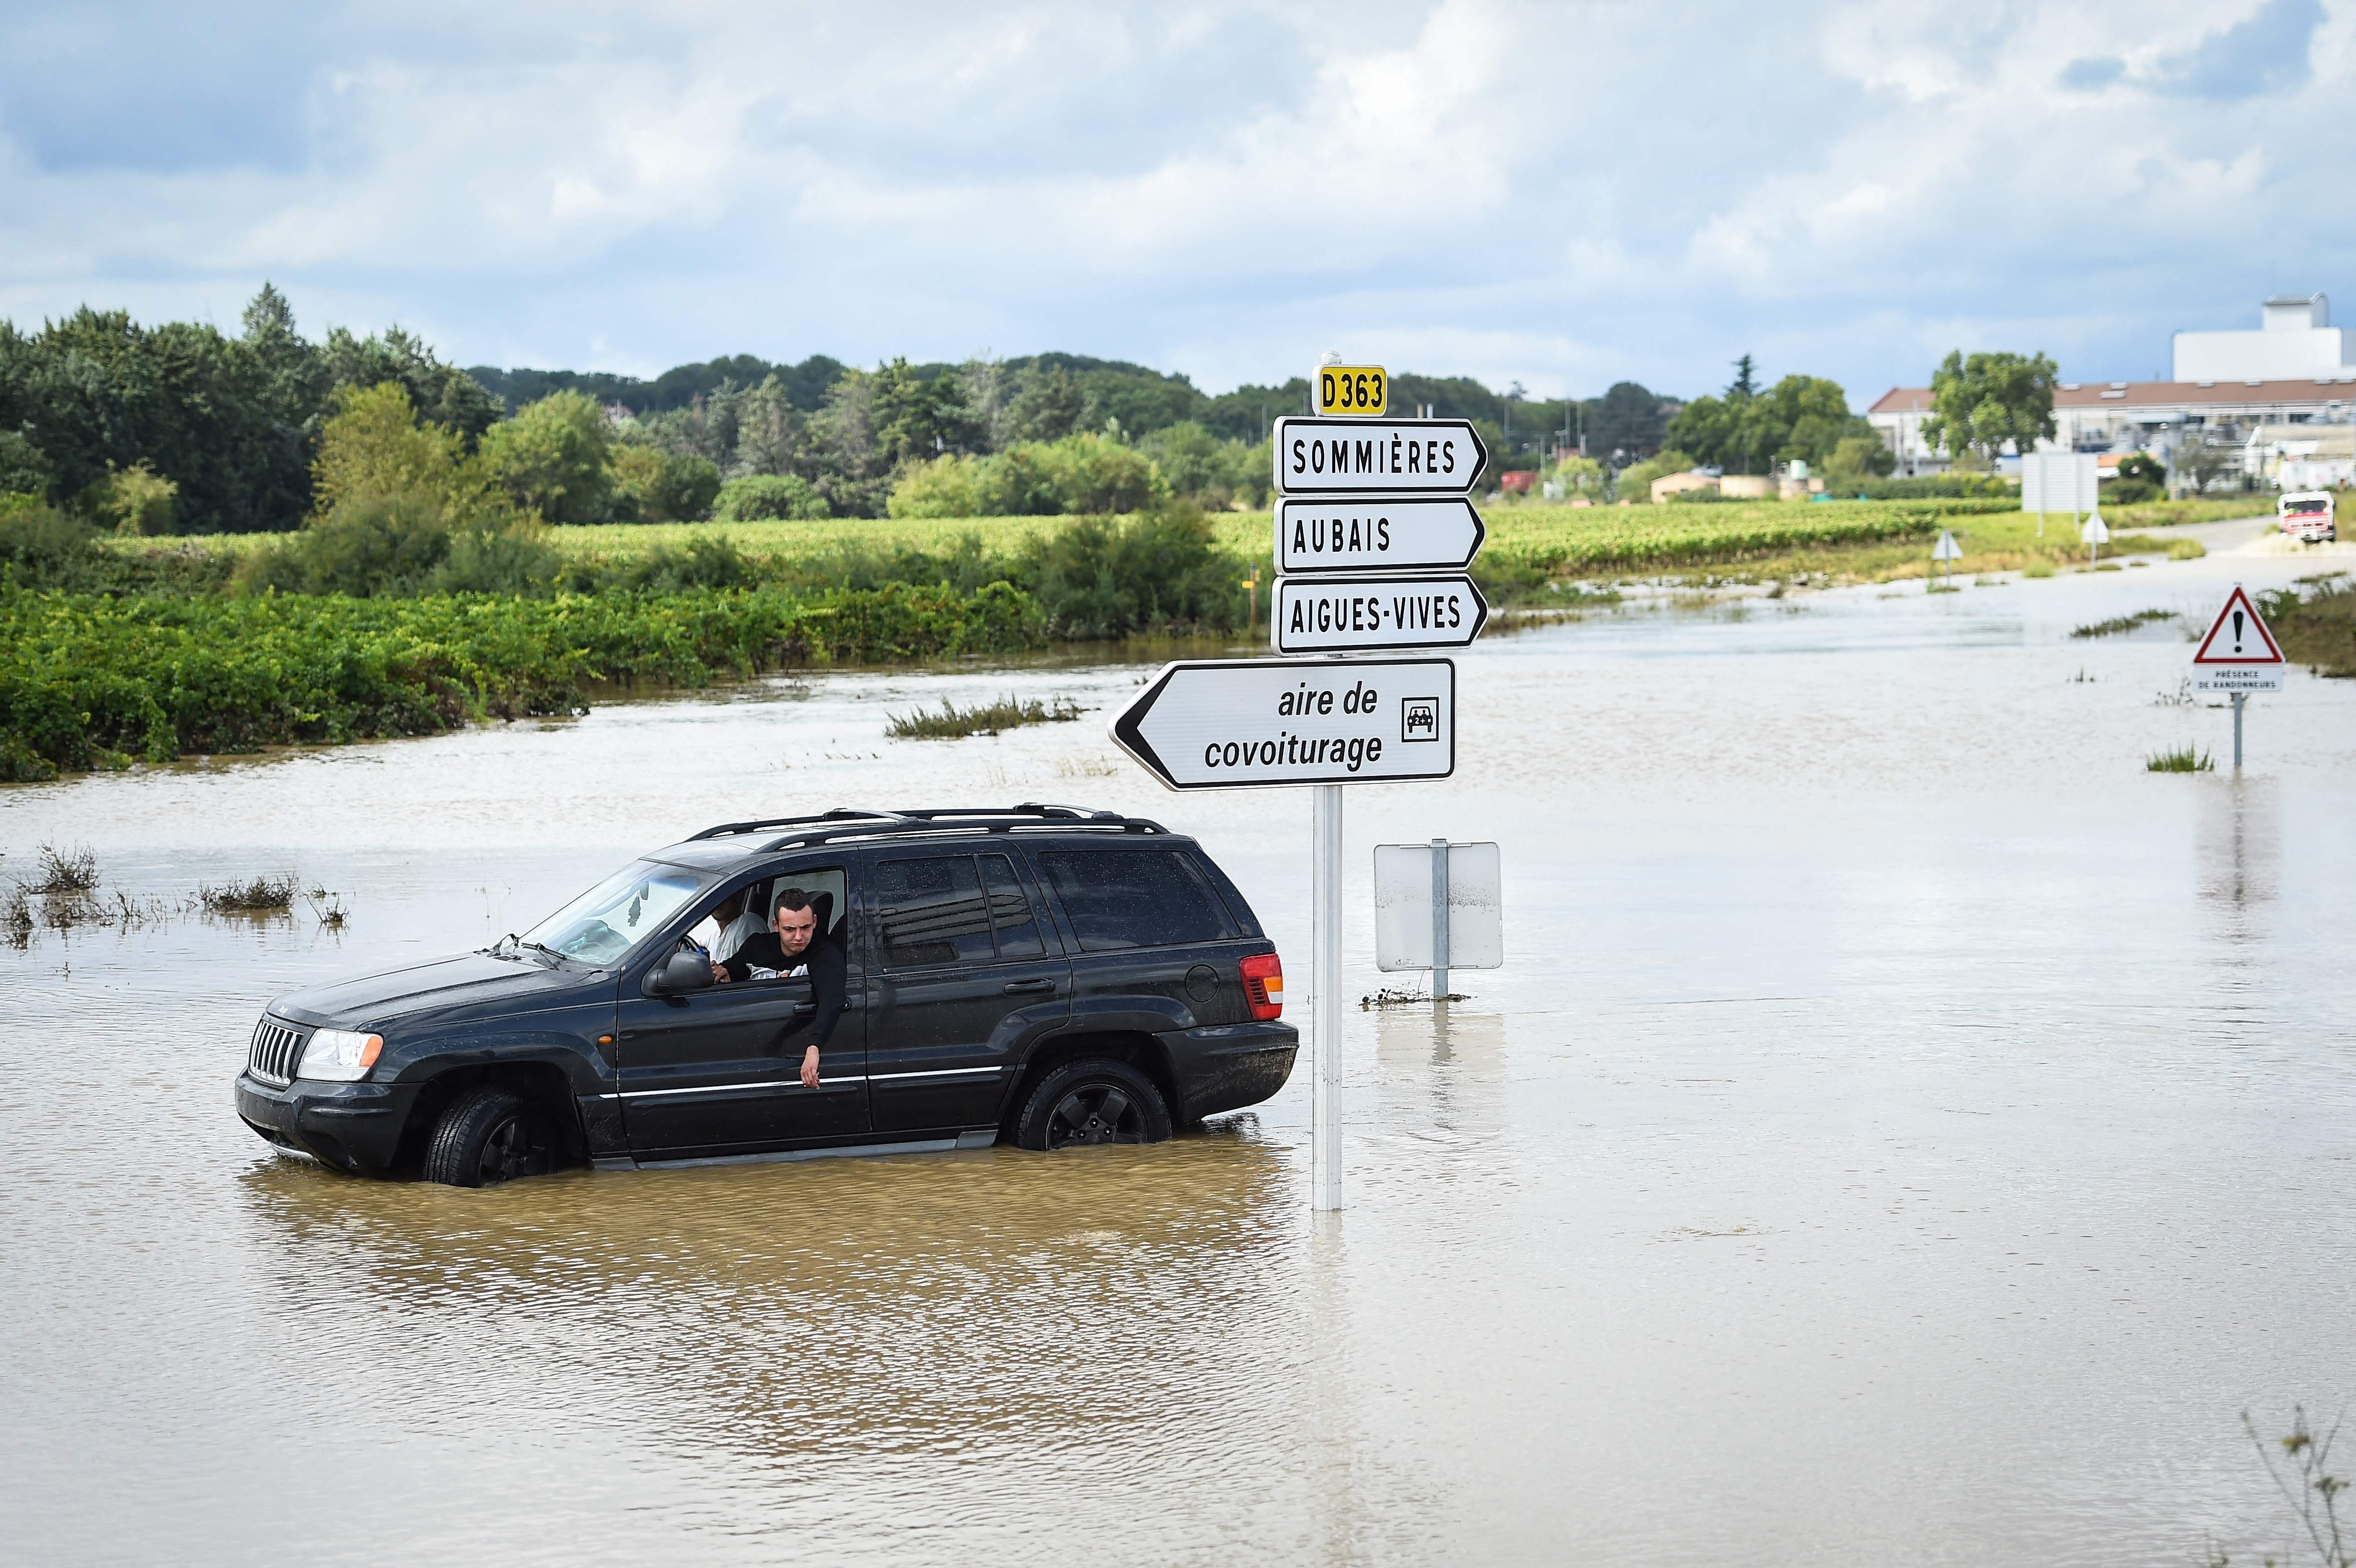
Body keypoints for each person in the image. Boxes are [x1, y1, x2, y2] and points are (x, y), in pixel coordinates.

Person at [711, 889, 843, 1090]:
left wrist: (814, 1048)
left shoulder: (826, 955)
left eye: (806, 927)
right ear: (776, 926)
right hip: (751, 1051)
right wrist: (721, 972)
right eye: (790, 929)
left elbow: (831, 1001)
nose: (799, 936)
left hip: (796, 1050)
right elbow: (731, 968)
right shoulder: (757, 947)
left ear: (815, 922)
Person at [706, 887, 767, 967]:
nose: (718, 902)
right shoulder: (715, 934)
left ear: (737, 896)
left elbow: (759, 970)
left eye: (722, 895)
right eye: (712, 897)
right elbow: (696, 942)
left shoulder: (748, 922)